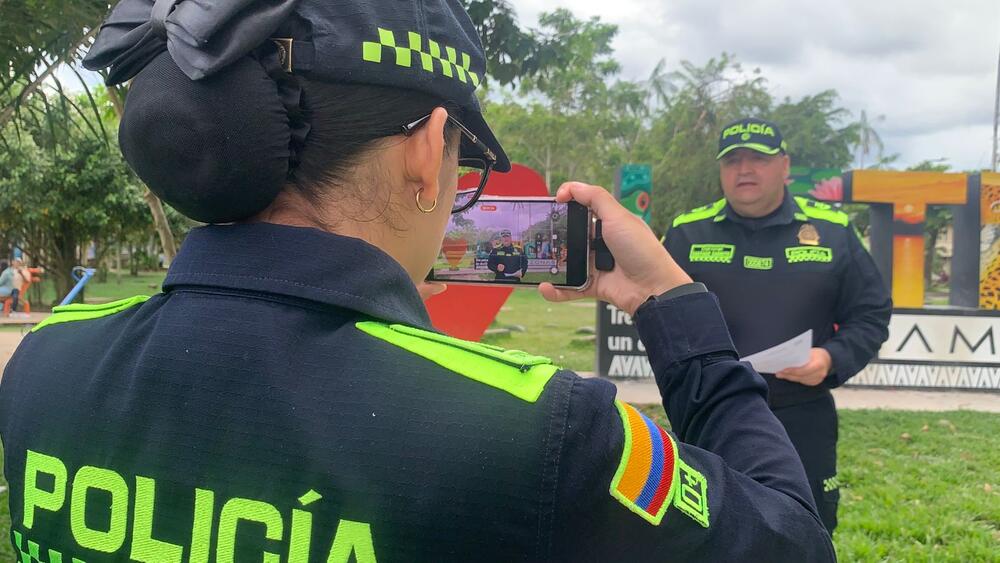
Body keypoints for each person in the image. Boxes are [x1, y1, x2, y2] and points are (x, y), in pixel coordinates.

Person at [0, 3, 833, 561]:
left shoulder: (42, 367)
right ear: (428, 151)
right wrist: (670, 303)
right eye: (467, 160)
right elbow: (791, 539)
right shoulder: (542, 431)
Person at [663, 117, 893, 533]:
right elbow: (656, 311)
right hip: (712, 411)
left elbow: (871, 314)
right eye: (732, 160)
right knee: (706, 529)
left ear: (784, 166)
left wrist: (831, 357)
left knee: (807, 528)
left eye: (758, 159)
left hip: (801, 411)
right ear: (720, 170)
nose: (744, 169)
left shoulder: (833, 231)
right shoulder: (686, 232)